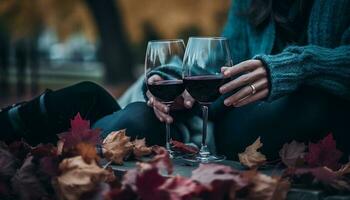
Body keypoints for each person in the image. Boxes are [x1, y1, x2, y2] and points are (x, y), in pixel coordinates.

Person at [98, 0, 350, 159]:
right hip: (223, 116)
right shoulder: (248, 4)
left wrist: (298, 67)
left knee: (312, 104)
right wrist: (170, 78)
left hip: (305, 118)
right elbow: (217, 63)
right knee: (135, 119)